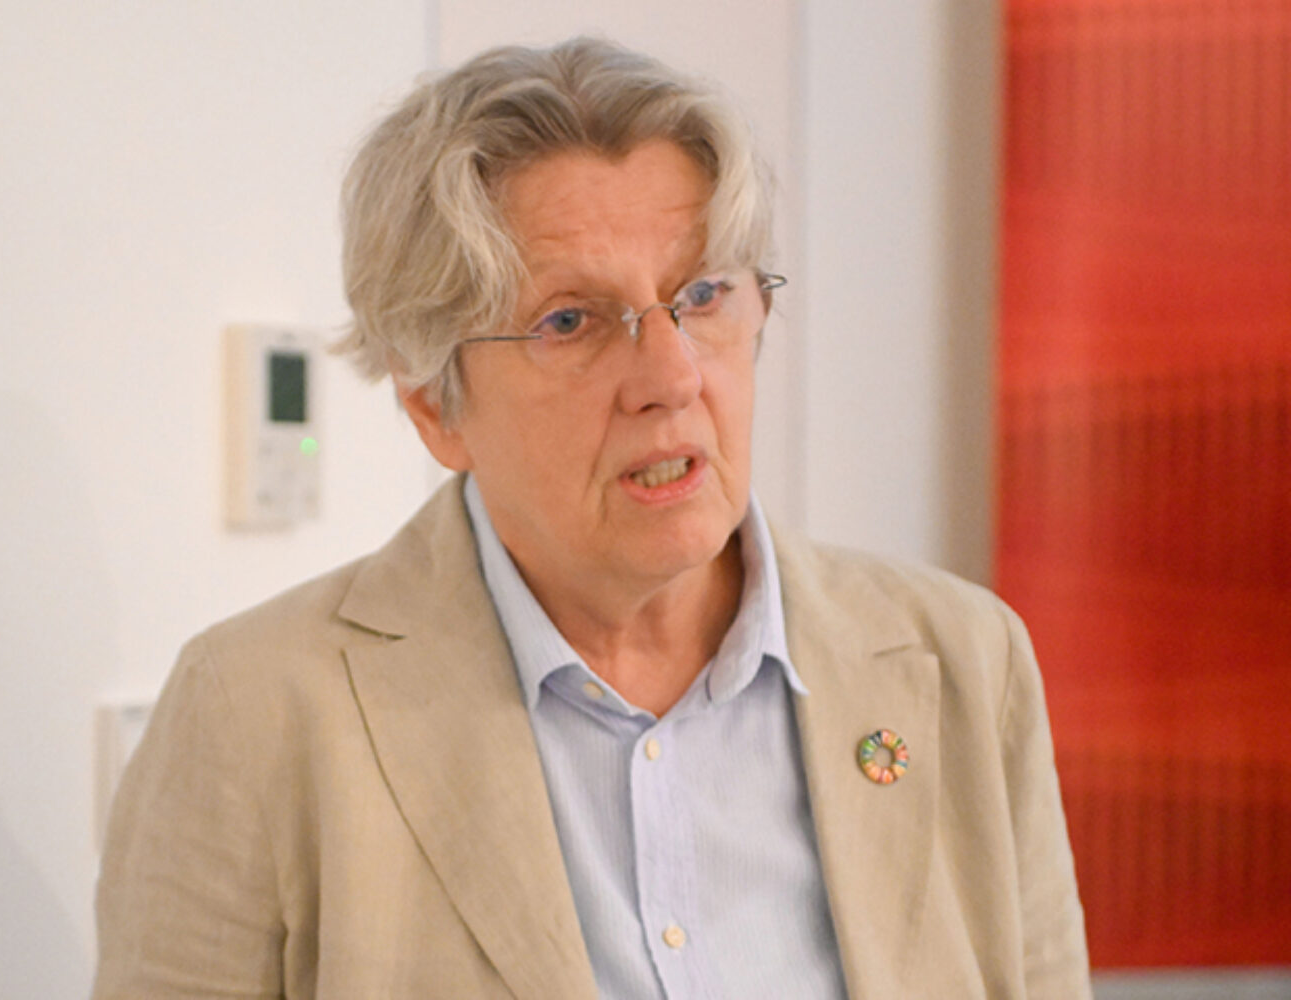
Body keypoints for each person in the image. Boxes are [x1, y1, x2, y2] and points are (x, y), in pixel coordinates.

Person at [92, 37, 1091, 1000]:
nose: (671, 376)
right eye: (569, 320)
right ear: (435, 404)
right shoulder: (257, 713)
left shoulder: (962, 662)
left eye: (703, 294)